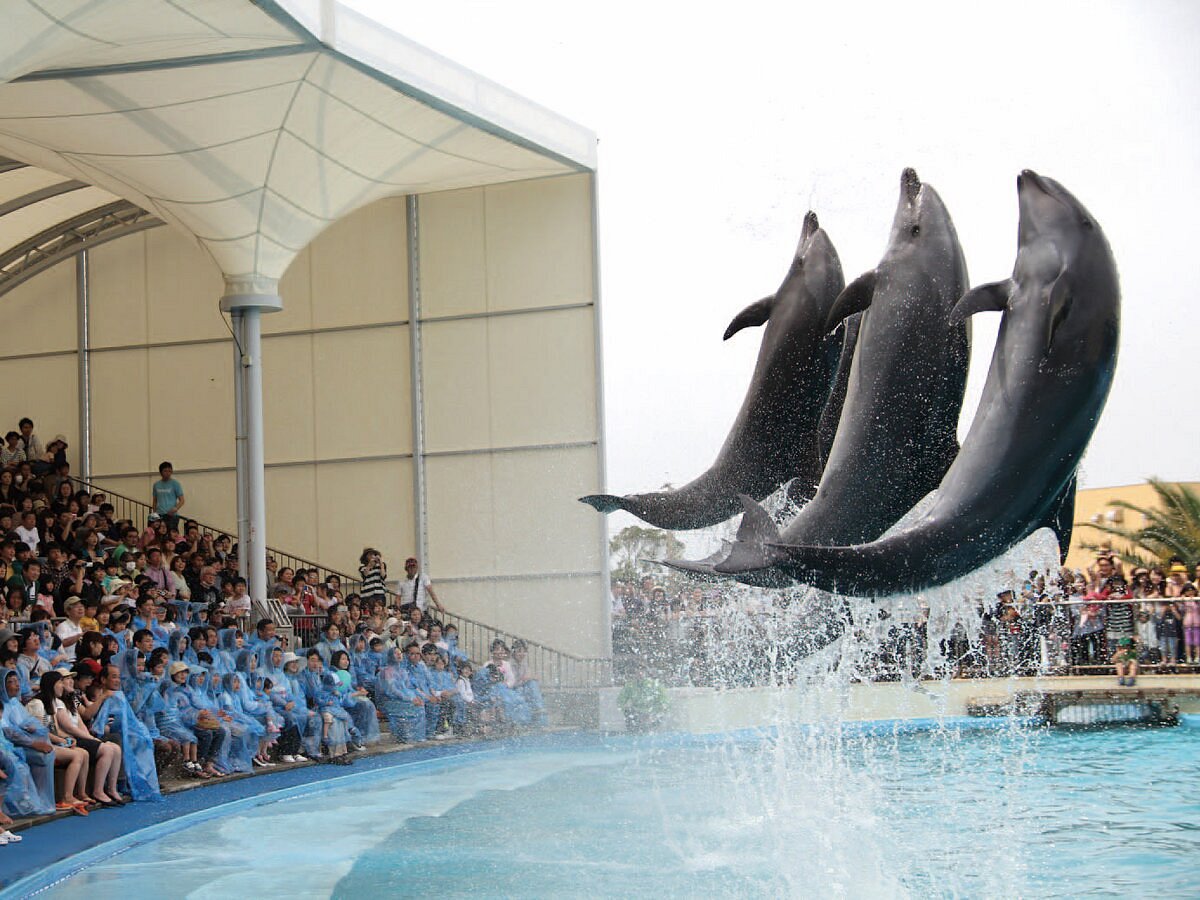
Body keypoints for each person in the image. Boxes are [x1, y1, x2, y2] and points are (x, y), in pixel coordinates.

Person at [27, 671, 93, 814]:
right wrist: (62, 740)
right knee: (77, 755)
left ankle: (80, 793)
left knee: (84, 753)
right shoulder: (37, 704)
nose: (63, 686)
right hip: (38, 745)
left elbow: (55, 730)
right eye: (60, 683)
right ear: (52, 685)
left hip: (51, 742)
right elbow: (39, 732)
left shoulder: (52, 703)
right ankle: (66, 797)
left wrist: (67, 739)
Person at [151, 462, 186, 532]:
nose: (168, 473)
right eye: (165, 471)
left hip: (172, 515)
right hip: (159, 514)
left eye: (170, 471)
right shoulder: (156, 485)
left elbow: (182, 500)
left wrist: (175, 508)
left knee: (172, 534)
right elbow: (155, 500)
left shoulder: (175, 484)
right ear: (161, 472)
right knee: (159, 533)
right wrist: (154, 513)